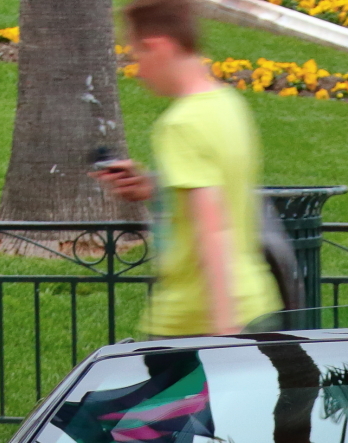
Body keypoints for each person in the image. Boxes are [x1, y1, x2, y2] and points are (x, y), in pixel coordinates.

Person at [93, 0, 281, 340]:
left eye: (137, 57)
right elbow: (218, 194)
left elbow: (213, 227)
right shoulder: (228, 105)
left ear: (159, 47)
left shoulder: (182, 124)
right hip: (255, 303)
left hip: (195, 321)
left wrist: (225, 332)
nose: (139, 72)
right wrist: (152, 187)